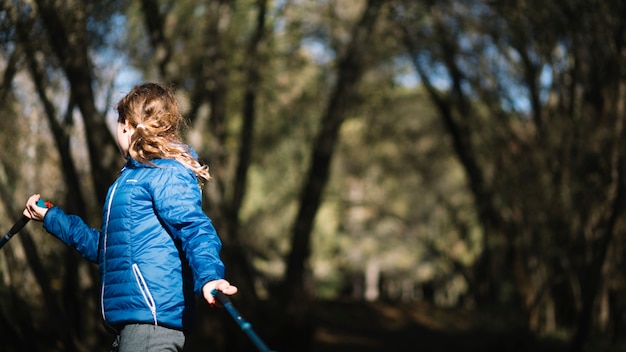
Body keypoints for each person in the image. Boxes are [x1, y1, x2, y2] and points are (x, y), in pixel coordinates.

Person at [23, 82, 237, 352]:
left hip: (151, 325)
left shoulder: (165, 173)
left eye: (119, 121)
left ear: (127, 124)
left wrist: (209, 276)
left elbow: (195, 228)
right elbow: (109, 251)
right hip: (130, 327)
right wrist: (51, 217)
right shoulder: (131, 178)